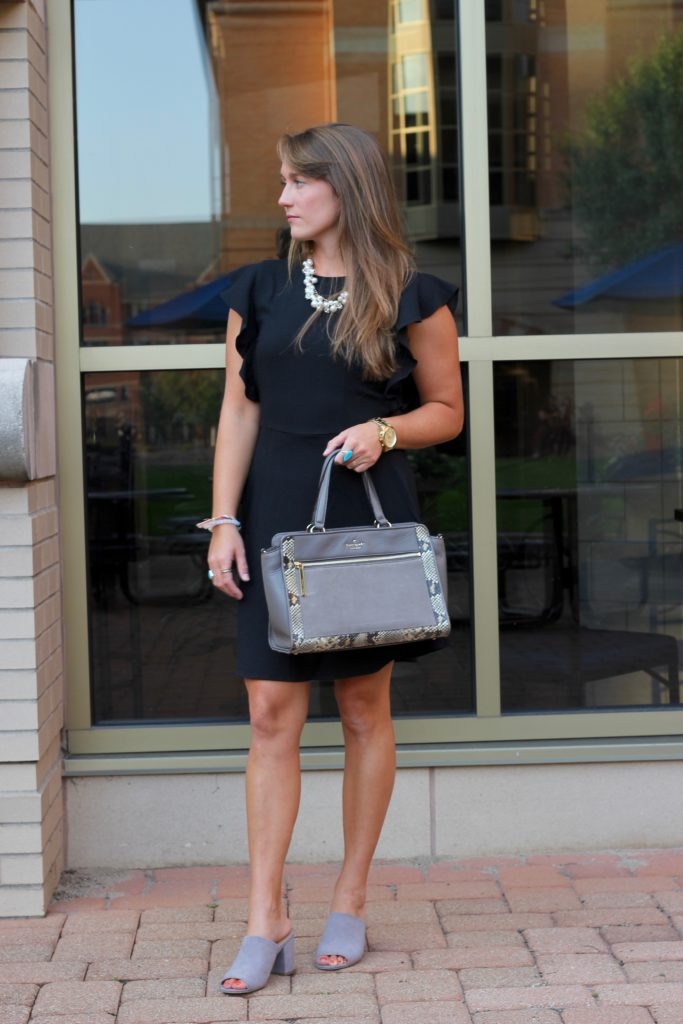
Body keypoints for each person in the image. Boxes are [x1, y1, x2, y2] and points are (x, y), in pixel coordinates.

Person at [203, 123, 464, 995]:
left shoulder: (412, 294)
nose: (281, 197)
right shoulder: (260, 286)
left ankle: (349, 900)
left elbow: (446, 411)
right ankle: (264, 919)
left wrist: (384, 429)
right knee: (270, 715)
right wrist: (222, 520)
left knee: (361, 709)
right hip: (273, 508)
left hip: (362, 514)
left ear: (343, 187)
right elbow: (238, 411)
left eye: (296, 182)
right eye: (281, 181)